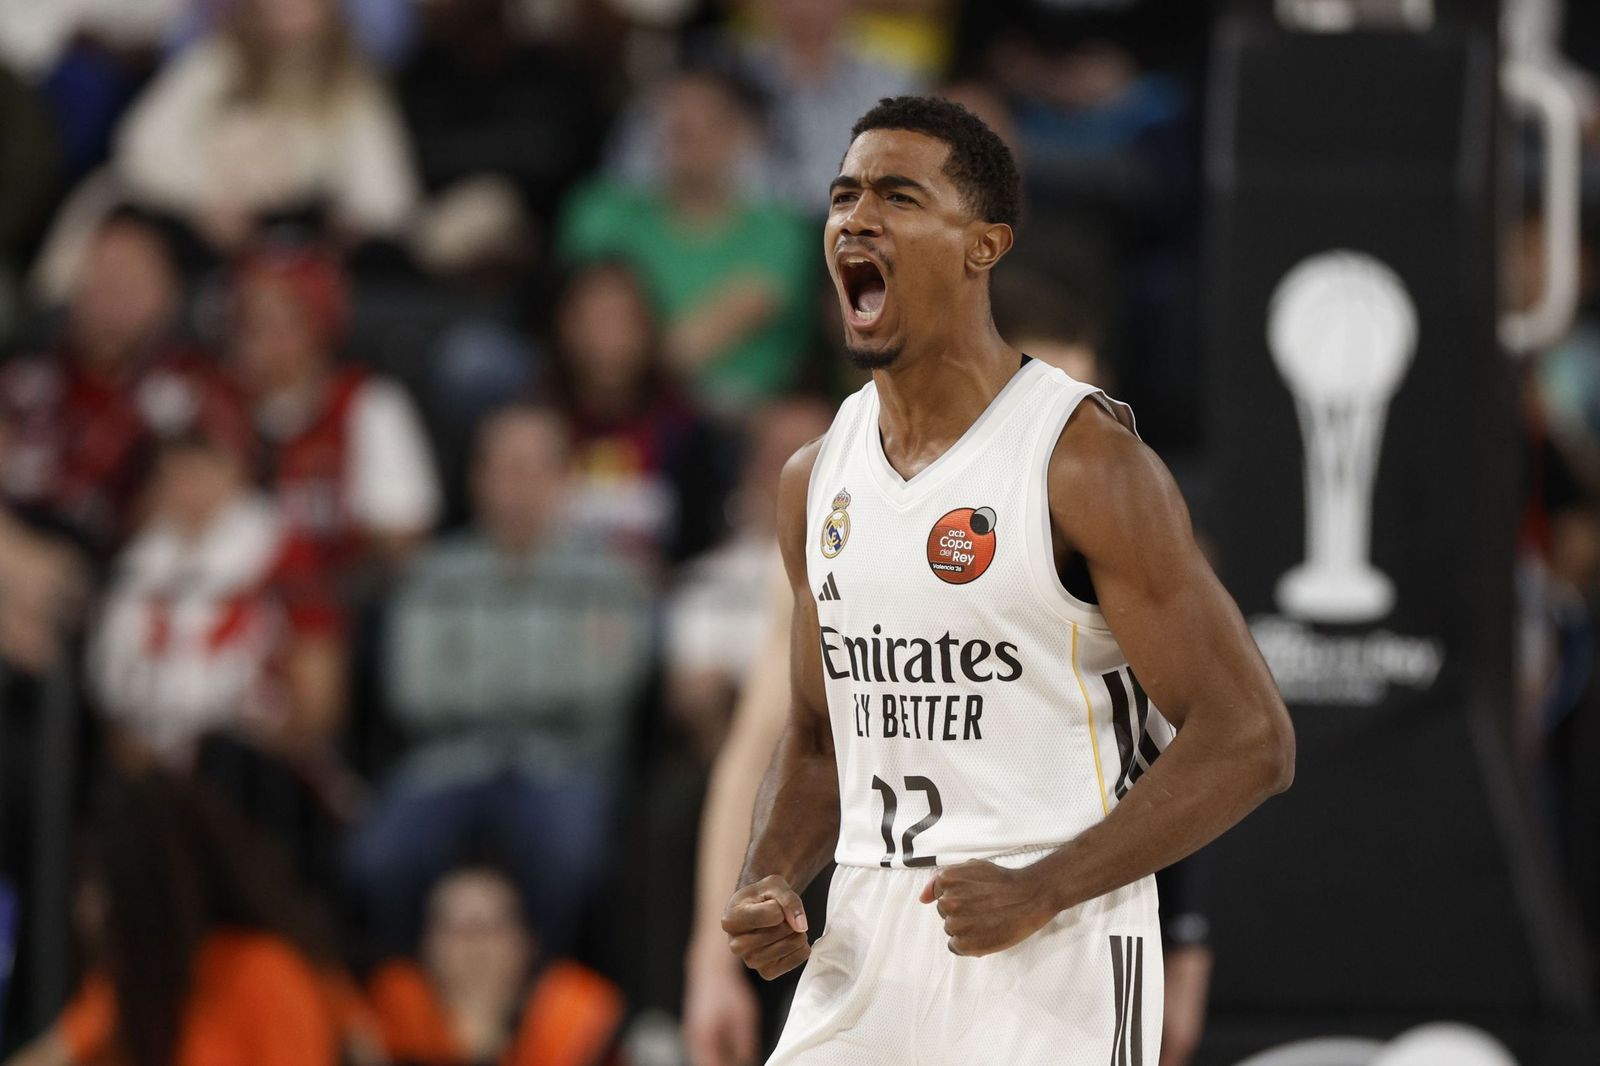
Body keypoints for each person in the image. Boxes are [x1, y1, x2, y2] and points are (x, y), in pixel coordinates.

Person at [718, 97, 1294, 1064]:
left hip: (1052, 949)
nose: (857, 218)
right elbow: (821, 739)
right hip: (866, 939)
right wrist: (770, 878)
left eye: (898, 196)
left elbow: (1251, 739)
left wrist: (1045, 886)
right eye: (844, 195)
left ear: (985, 245)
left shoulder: (1084, 464)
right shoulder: (812, 479)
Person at [346, 403, 654, 954]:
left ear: (563, 479)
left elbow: (608, 688)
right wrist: (546, 687)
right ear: (477, 480)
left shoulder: (608, 580)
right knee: (378, 859)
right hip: (445, 767)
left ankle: (546, 1016)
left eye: (535, 470)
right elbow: (413, 692)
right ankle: (408, 1012)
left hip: (563, 766)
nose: (519, 488)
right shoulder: (433, 577)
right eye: (504, 470)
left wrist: (481, 686)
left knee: (572, 860)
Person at [1, 771, 377, 1066]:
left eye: (99, 888)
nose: (84, 911)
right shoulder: (129, 988)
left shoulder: (263, 977)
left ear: (145, 897)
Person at [557, 68, 814, 411]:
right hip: (621, 410)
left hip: (743, 417)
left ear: (739, 134)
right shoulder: (601, 214)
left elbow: (695, 343)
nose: (687, 136)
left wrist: (629, 347)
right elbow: (583, 327)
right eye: (675, 125)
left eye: (705, 124)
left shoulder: (780, 231)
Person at [112, 0, 419, 252]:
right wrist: (201, 202)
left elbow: (386, 194)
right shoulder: (217, 59)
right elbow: (142, 149)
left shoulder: (350, 80)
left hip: (301, 247)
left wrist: (341, 230)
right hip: (198, 238)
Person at [227, 241, 440, 574]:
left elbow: (404, 536)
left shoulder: (368, 402)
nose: (261, 338)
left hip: (340, 602)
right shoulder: (217, 404)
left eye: (281, 321)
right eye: (251, 320)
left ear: (319, 324)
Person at [367, 863, 625, 1066]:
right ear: (426, 947)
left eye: (492, 927)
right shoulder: (381, 1030)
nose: (475, 944)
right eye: (457, 929)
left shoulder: (577, 1021)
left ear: (527, 943)